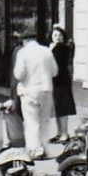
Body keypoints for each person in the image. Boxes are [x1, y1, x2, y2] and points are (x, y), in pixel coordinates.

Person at [12, 28, 58, 159]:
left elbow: (19, 74)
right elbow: (55, 71)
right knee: (44, 121)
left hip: (29, 91)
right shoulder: (47, 51)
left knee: (32, 121)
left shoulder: (23, 52)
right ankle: (45, 149)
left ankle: (35, 150)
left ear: (25, 40)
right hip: (47, 90)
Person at [49, 25, 78, 141]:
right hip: (55, 81)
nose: (58, 37)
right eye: (55, 35)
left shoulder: (63, 48)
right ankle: (59, 132)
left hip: (61, 81)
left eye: (60, 35)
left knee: (63, 108)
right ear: (51, 36)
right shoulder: (52, 47)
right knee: (57, 108)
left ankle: (64, 133)